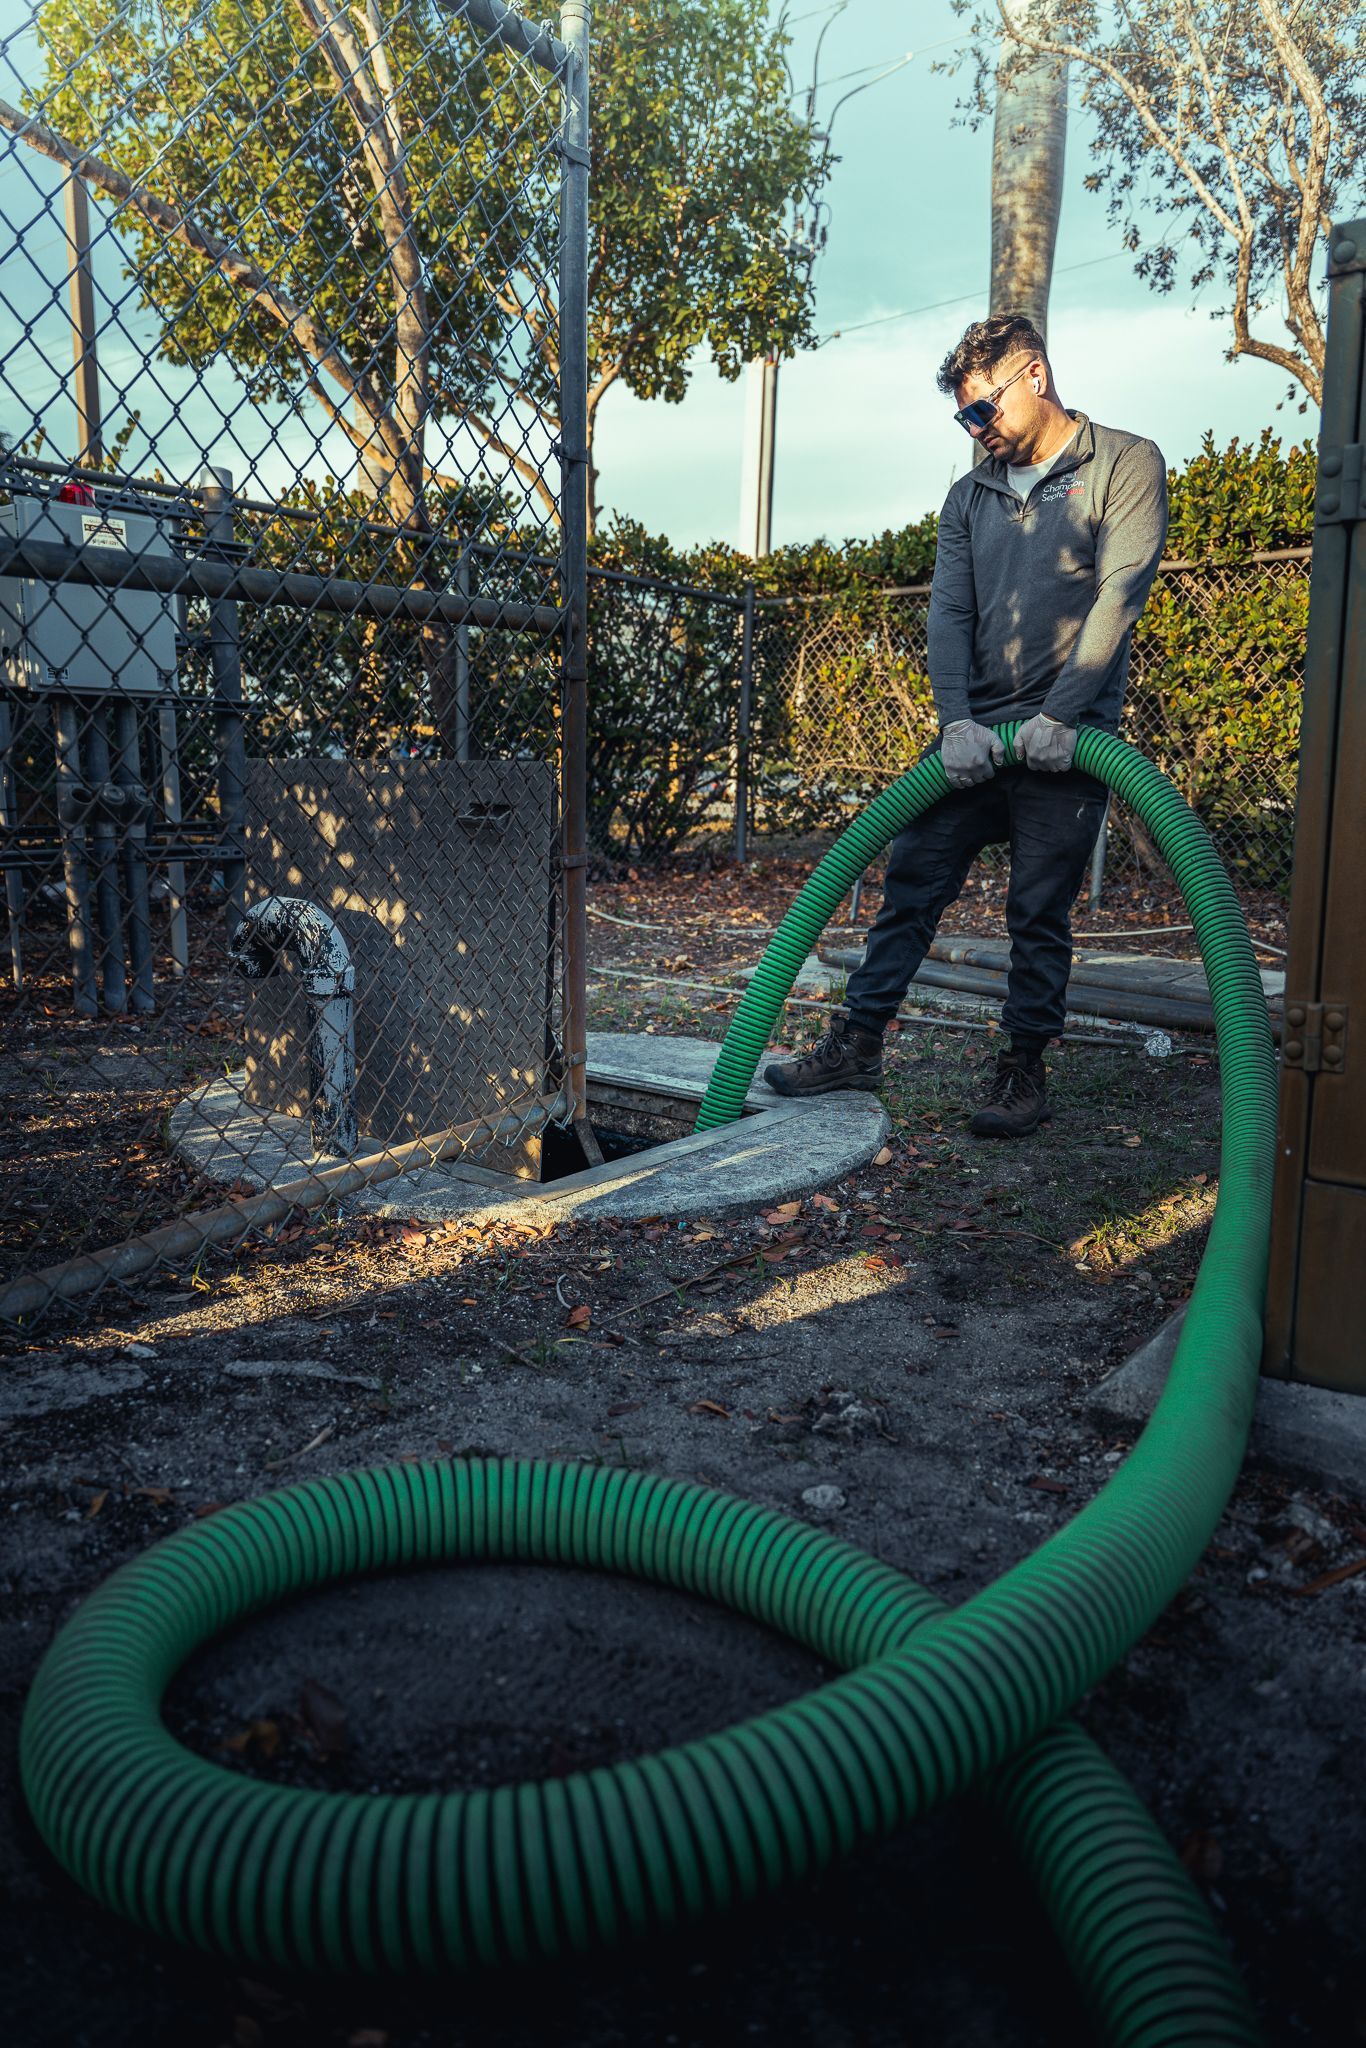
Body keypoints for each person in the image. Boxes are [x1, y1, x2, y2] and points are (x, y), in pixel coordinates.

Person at [765, 311, 1169, 1136]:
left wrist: (1063, 717)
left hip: (1071, 744)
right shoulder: (969, 494)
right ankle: (858, 1043)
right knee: (910, 883)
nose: (976, 428)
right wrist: (954, 723)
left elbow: (1119, 592)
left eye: (984, 407)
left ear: (1035, 376)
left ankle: (1021, 1068)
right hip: (976, 740)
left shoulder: (1125, 461)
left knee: (1037, 910)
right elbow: (949, 614)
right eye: (964, 417)